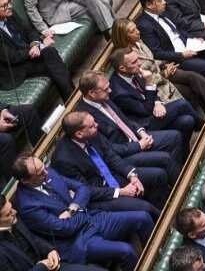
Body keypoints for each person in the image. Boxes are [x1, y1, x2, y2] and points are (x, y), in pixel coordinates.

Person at [11, 155, 154, 271]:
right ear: (25, 181)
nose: (46, 172)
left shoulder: (48, 172)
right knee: (127, 250)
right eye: (40, 173)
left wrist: (74, 208)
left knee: (143, 217)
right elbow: (63, 229)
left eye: (43, 166)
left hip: (93, 218)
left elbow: (83, 188)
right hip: (77, 240)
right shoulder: (26, 205)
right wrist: (79, 207)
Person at [50, 111, 167, 214]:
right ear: (79, 134)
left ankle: (160, 212)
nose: (96, 125)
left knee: (159, 175)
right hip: (99, 195)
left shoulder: (92, 132)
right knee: (145, 209)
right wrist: (121, 192)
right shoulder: (63, 160)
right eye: (91, 126)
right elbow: (85, 189)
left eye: (94, 122)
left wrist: (132, 176)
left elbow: (111, 157)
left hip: (112, 176)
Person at [111, 18, 205, 120]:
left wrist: (165, 64)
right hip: (158, 83)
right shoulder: (126, 56)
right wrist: (163, 74)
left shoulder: (139, 41)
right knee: (190, 91)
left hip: (162, 71)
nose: (138, 32)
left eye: (136, 28)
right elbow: (142, 80)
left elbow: (151, 60)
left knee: (194, 77)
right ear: (123, 37)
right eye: (132, 31)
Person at [136, 0, 205, 86]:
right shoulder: (144, 25)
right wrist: (182, 55)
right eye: (160, 0)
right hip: (177, 59)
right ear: (148, 5)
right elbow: (157, 53)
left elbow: (178, 30)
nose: (164, 2)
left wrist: (193, 39)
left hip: (189, 46)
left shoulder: (162, 11)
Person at [0, 193, 107, 271]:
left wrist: (50, 250)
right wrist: (42, 267)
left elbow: (32, 238)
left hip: (51, 265)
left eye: (12, 208)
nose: (15, 212)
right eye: (8, 214)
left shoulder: (13, 220)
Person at [0, 0, 73, 100]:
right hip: (14, 69)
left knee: (52, 58)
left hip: (27, 55)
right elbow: (10, 57)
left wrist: (35, 44)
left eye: (8, 2)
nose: (9, 6)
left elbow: (29, 30)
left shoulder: (10, 13)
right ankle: (74, 101)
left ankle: (72, 101)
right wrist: (39, 46)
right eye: (4, 6)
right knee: (53, 61)